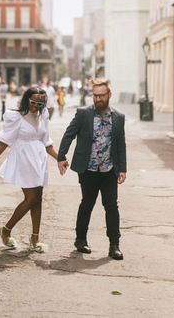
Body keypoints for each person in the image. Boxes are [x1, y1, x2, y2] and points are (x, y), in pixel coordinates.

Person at [57, 78, 126, 260]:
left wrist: (123, 168)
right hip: (87, 169)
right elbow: (69, 135)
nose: (97, 99)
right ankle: (80, 240)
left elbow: (120, 144)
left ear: (109, 95)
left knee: (111, 206)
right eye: (95, 96)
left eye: (101, 95)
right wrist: (61, 156)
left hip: (109, 170)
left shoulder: (118, 117)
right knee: (87, 204)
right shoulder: (83, 114)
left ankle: (114, 245)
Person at [0, 86, 58, 252]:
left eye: (40, 103)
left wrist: (59, 158)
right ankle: (6, 230)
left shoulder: (43, 115)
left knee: (38, 198)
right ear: (27, 100)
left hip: (39, 159)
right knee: (31, 199)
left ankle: (35, 239)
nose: (36, 106)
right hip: (24, 159)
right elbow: (5, 140)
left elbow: (47, 142)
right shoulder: (16, 117)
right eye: (33, 102)